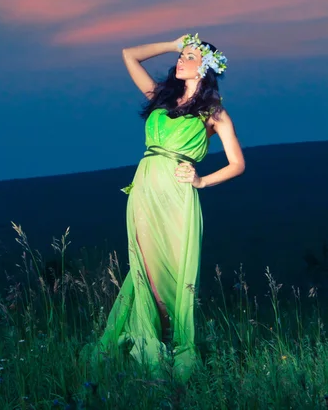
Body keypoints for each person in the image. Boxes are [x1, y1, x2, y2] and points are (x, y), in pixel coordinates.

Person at [83, 33, 245, 382]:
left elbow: (237, 164)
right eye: (181, 56)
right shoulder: (161, 98)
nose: (181, 60)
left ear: (205, 67)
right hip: (144, 188)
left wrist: (201, 181)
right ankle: (148, 345)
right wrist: (173, 44)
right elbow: (128, 53)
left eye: (189, 56)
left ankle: (174, 347)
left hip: (177, 196)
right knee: (145, 265)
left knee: (175, 270)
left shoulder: (213, 112)